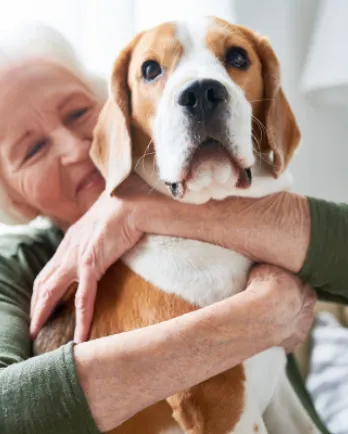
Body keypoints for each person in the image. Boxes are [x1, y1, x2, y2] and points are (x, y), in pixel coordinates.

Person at [0, 22, 339, 434]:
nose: (74, 150)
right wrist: (260, 318)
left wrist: (141, 211)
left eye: (77, 113)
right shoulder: (13, 265)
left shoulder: (220, 196)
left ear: (118, 114)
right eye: (32, 149)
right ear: (11, 196)